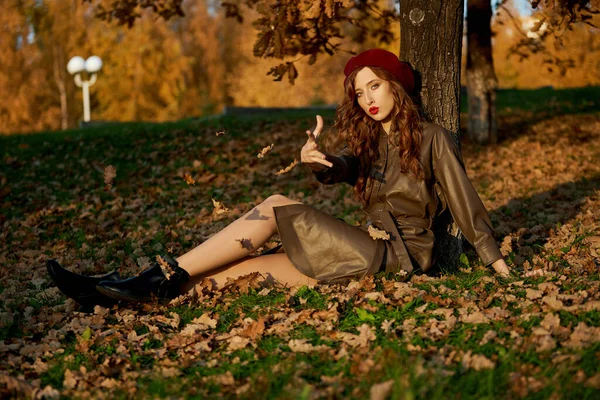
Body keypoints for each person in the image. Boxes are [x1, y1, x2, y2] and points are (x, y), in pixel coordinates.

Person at [47, 48, 510, 308]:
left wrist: (497, 264)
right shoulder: (371, 142)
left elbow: (466, 204)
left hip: (399, 257)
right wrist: (320, 161)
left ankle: (151, 277)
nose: (368, 98)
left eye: (375, 85)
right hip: (365, 247)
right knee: (236, 271)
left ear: (396, 84)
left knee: (272, 203)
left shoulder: (433, 139)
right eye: (360, 91)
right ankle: (112, 290)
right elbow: (347, 166)